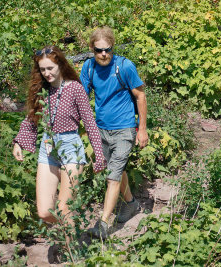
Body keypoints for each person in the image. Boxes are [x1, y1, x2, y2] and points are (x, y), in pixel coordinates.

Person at [12, 45, 106, 228]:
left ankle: (72, 252)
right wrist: (19, 143)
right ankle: (71, 225)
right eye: (43, 69)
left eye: (50, 68)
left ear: (60, 65)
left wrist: (99, 155)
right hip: (48, 149)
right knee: (45, 212)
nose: (47, 73)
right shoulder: (41, 90)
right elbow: (31, 118)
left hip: (71, 148)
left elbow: (89, 123)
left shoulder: (75, 89)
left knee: (64, 208)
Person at [80, 26, 148, 239]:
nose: (104, 54)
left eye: (108, 50)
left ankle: (102, 225)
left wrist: (142, 130)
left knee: (112, 177)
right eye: (99, 50)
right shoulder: (89, 68)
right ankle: (131, 205)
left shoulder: (124, 67)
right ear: (92, 48)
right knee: (115, 171)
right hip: (101, 130)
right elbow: (81, 98)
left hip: (125, 128)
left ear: (113, 47)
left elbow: (141, 96)